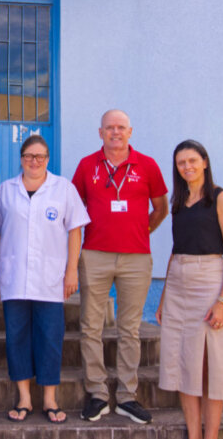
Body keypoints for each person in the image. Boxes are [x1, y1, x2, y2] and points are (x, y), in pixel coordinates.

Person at [71, 109, 168, 424]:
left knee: (130, 329)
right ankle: (97, 393)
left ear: (130, 131)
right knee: (90, 326)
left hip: (136, 258)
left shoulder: (147, 165)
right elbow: (73, 211)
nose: (115, 132)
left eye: (121, 127)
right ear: (100, 132)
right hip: (94, 254)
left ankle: (127, 396)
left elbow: (161, 207)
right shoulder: (87, 166)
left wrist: (141, 231)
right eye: (109, 128)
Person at [0, 135, 89, 424]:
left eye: (41, 156)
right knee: (16, 337)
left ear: (48, 159)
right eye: (29, 156)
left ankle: (49, 399)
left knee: (50, 338)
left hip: (51, 278)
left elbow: (75, 231)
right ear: (21, 158)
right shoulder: (5, 191)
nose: (35, 161)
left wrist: (72, 270)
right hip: (13, 276)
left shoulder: (64, 189)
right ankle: (23, 397)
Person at [155, 140, 223, 439]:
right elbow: (175, 251)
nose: (187, 166)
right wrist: (164, 297)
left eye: (192, 160)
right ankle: (193, 434)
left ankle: (211, 435)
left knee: (209, 366)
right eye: (181, 163)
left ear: (204, 161)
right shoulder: (177, 203)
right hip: (178, 283)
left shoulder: (220, 198)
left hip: (209, 281)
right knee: (182, 365)